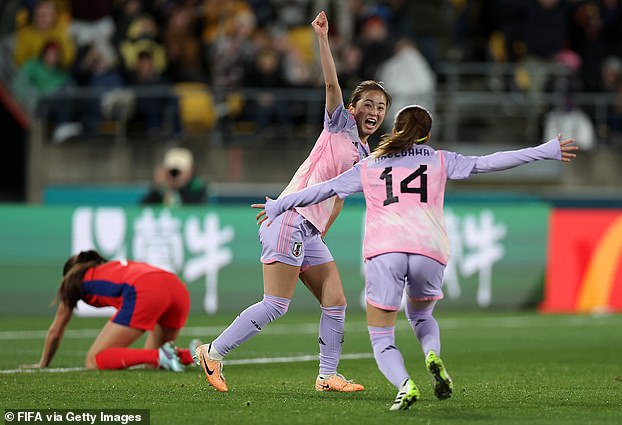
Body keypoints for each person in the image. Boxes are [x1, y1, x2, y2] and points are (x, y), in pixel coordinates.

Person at [254, 105, 578, 410]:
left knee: (382, 335)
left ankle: (404, 385)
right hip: (430, 249)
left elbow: (324, 189)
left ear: (395, 129)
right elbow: (489, 161)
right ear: (427, 134)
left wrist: (277, 205)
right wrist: (545, 150)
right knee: (422, 317)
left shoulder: (371, 164)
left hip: (385, 251)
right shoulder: (440, 159)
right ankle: (432, 353)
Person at [194, 10, 391, 393]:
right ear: (353, 108)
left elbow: (336, 199)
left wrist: (318, 235)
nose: (374, 112)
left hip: (308, 228)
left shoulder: (364, 154)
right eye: (368, 104)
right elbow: (332, 84)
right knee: (276, 304)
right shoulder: (340, 125)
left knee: (335, 299)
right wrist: (322, 38)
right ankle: (213, 352)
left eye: (381, 108)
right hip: (289, 217)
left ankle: (327, 375)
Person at [21, 250, 198, 371]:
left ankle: (163, 355)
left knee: (94, 360)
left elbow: (55, 331)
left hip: (144, 289)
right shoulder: (110, 267)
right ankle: (193, 354)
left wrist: (43, 363)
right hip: (176, 287)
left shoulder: (73, 281)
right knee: (153, 365)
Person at [140, 147, 207, 206]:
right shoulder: (162, 188)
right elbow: (142, 207)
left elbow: (196, 208)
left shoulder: (197, 186)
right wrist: (158, 187)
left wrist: (181, 186)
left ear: (190, 169)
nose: (175, 174)